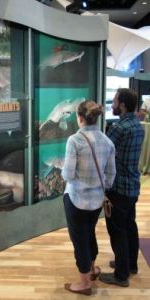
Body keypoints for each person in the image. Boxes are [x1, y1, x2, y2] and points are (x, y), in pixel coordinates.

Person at [62, 101, 116, 295]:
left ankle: (84, 283)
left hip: (76, 200)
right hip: (96, 202)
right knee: (89, 233)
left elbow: (67, 175)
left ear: (80, 118)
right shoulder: (107, 141)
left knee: (79, 240)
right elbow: (110, 177)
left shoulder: (74, 140)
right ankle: (92, 270)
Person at [99, 88, 145, 287]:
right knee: (129, 226)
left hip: (118, 188)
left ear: (123, 105)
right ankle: (129, 264)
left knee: (117, 230)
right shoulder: (138, 126)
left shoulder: (119, 128)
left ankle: (121, 275)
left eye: (115, 101)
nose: (112, 105)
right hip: (133, 186)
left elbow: (103, 153)